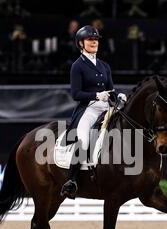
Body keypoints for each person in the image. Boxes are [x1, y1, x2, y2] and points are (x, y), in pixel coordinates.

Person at [60, 25, 126, 199]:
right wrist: (97, 95)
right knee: (82, 139)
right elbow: (76, 94)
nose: (94, 42)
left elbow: (110, 89)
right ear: (81, 43)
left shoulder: (104, 65)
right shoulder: (77, 66)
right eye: (90, 39)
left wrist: (117, 95)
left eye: (96, 39)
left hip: (106, 106)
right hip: (88, 108)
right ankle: (72, 181)